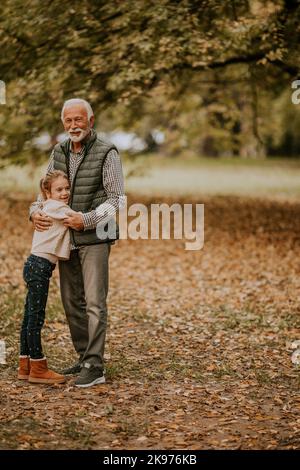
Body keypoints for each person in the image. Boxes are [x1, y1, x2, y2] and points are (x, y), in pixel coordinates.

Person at [30, 98, 125, 388]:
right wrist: (33, 212)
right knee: (72, 303)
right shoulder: (58, 152)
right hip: (64, 240)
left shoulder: (106, 152)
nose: (74, 125)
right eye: (68, 121)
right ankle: (85, 358)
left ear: (90, 121)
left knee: (95, 303)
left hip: (95, 236)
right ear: (63, 123)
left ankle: (95, 366)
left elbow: (117, 198)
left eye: (79, 120)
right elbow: (44, 192)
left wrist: (87, 220)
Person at [18, 170, 76, 384]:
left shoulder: (44, 206)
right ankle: (38, 367)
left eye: (67, 188)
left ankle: (25, 365)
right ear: (48, 192)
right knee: (35, 318)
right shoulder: (57, 207)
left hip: (35, 265)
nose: (65, 193)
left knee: (28, 316)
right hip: (39, 267)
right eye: (59, 189)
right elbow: (77, 219)